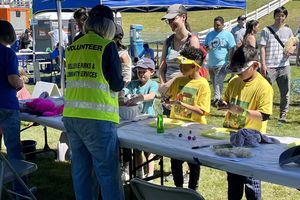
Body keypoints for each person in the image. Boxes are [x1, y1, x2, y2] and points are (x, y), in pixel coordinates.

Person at [63, 5, 124, 200]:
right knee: (108, 175)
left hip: (72, 116)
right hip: (98, 119)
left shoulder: (72, 47)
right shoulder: (107, 46)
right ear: (109, 26)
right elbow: (116, 84)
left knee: (81, 173)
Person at [218, 45, 273, 200]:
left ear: (254, 65)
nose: (237, 73)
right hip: (234, 138)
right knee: (233, 181)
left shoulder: (264, 87)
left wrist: (241, 111)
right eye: (235, 70)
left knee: (251, 183)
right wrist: (223, 103)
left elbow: (264, 115)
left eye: (240, 70)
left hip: (252, 142)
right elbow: (228, 101)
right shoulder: (234, 82)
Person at [165, 46, 210, 190]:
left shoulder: (203, 85)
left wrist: (182, 104)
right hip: (176, 126)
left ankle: (192, 191)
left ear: (194, 66)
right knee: (175, 161)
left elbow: (202, 111)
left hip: (194, 130)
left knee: (193, 163)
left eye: (183, 64)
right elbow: (170, 99)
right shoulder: (179, 80)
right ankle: (179, 189)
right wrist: (167, 101)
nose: (180, 67)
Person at [0, 19, 34, 198]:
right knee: (14, 150)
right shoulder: (8, 53)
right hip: (6, 105)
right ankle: (20, 192)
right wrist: (21, 83)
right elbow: (13, 80)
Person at [121, 58, 159, 179]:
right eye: (139, 72)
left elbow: (151, 95)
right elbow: (122, 92)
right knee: (137, 148)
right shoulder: (133, 84)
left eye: (144, 72)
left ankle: (151, 174)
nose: (141, 74)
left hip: (149, 121)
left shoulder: (153, 84)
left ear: (152, 72)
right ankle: (139, 173)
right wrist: (122, 97)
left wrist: (139, 98)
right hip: (134, 121)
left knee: (149, 149)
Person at [260, 6, 294, 123]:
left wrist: (292, 50)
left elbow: (292, 43)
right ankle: (265, 113)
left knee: (285, 92)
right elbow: (262, 48)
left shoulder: (288, 31)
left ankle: (283, 114)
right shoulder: (266, 30)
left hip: (284, 66)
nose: (280, 18)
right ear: (274, 16)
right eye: (278, 15)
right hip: (270, 66)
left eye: (282, 16)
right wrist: (263, 64)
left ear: (285, 17)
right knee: (266, 91)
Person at [159, 4, 200, 84]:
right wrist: (163, 85)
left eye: (173, 19)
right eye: (168, 20)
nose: (170, 23)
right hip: (168, 91)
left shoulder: (192, 41)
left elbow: (192, 69)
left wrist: (170, 84)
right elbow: (162, 68)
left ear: (183, 17)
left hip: (185, 89)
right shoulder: (167, 42)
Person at [204, 16, 236, 106]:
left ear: (223, 24)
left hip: (222, 63)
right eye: (214, 25)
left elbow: (232, 48)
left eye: (218, 25)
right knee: (214, 81)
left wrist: (230, 60)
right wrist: (207, 47)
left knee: (218, 81)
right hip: (211, 63)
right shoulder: (210, 34)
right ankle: (217, 97)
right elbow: (205, 46)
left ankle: (217, 99)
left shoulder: (228, 35)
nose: (216, 27)